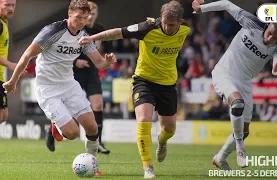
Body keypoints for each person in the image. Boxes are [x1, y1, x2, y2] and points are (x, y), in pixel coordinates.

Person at [3, 0, 116, 176]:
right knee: (72, 133)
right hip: (47, 88)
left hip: (69, 84)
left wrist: (107, 62)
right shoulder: (52, 32)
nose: (82, 21)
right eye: (79, 17)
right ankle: (56, 125)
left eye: (85, 18)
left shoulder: (84, 36)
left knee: (92, 127)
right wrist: (12, 81)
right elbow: (27, 55)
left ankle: (93, 163)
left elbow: (100, 63)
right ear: (69, 13)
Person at [79, 1, 190, 178]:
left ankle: (162, 142)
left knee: (169, 129)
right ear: (161, 18)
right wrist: (93, 38)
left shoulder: (185, 28)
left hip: (168, 84)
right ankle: (148, 167)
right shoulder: (147, 27)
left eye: (172, 25)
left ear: (179, 22)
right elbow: (117, 32)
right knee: (144, 119)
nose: (168, 28)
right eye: (165, 23)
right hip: (143, 80)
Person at [192, 0, 277, 170]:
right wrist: (202, 9)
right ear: (268, 24)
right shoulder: (250, 22)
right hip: (224, 73)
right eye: (270, 33)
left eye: (275, 38)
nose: (270, 38)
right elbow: (226, 4)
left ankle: (220, 158)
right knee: (237, 104)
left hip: (244, 83)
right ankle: (240, 149)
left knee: (244, 131)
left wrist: (276, 66)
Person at [45, 1, 110, 155]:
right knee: (67, 106)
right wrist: (76, 61)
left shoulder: (99, 29)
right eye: (89, 12)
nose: (90, 15)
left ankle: (98, 141)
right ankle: (53, 127)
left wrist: (103, 61)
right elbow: (63, 51)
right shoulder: (78, 27)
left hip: (91, 72)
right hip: (73, 72)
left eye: (93, 12)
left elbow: (97, 50)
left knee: (98, 104)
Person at [0, 0, 18, 123]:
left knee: (4, 115)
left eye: (13, 5)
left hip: (0, 77)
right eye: (7, 5)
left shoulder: (4, 23)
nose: (11, 8)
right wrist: (10, 64)